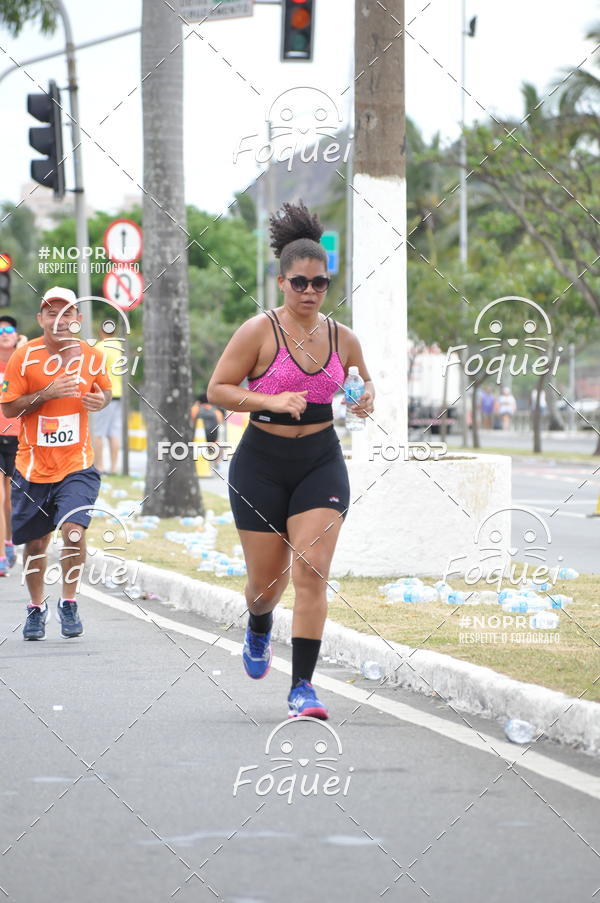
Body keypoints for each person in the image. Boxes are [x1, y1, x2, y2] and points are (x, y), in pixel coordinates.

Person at [208, 201, 374, 720]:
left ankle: (302, 687)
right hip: (260, 464)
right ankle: (259, 625)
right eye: (299, 282)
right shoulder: (258, 331)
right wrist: (270, 401)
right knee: (266, 586)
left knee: (312, 571)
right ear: (281, 281)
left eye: (319, 283)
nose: (309, 291)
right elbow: (218, 389)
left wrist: (365, 399)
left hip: (320, 461)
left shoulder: (343, 339)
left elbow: (363, 386)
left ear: (328, 284)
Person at [1, 287, 112, 641]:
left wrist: (100, 400)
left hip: (77, 465)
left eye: (68, 314)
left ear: (78, 320)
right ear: (41, 319)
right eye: (52, 313)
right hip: (32, 467)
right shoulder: (25, 356)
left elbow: (105, 391)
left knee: (73, 532)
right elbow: (8, 408)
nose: (60, 321)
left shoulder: (92, 356)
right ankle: (36, 607)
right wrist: (46, 394)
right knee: (35, 545)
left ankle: (69, 600)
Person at [0, 315, 28, 575]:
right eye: (0, 331)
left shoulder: (22, 361)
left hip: (17, 435)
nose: (3, 334)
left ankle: (9, 542)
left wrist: (22, 347)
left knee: (9, 498)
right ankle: (0, 553)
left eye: (8, 329)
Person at [93, 323, 123, 474]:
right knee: (114, 433)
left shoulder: (99, 347)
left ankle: (99, 465)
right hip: (118, 393)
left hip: (104, 393)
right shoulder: (119, 346)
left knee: (98, 432)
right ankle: (114, 467)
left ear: (101, 331)